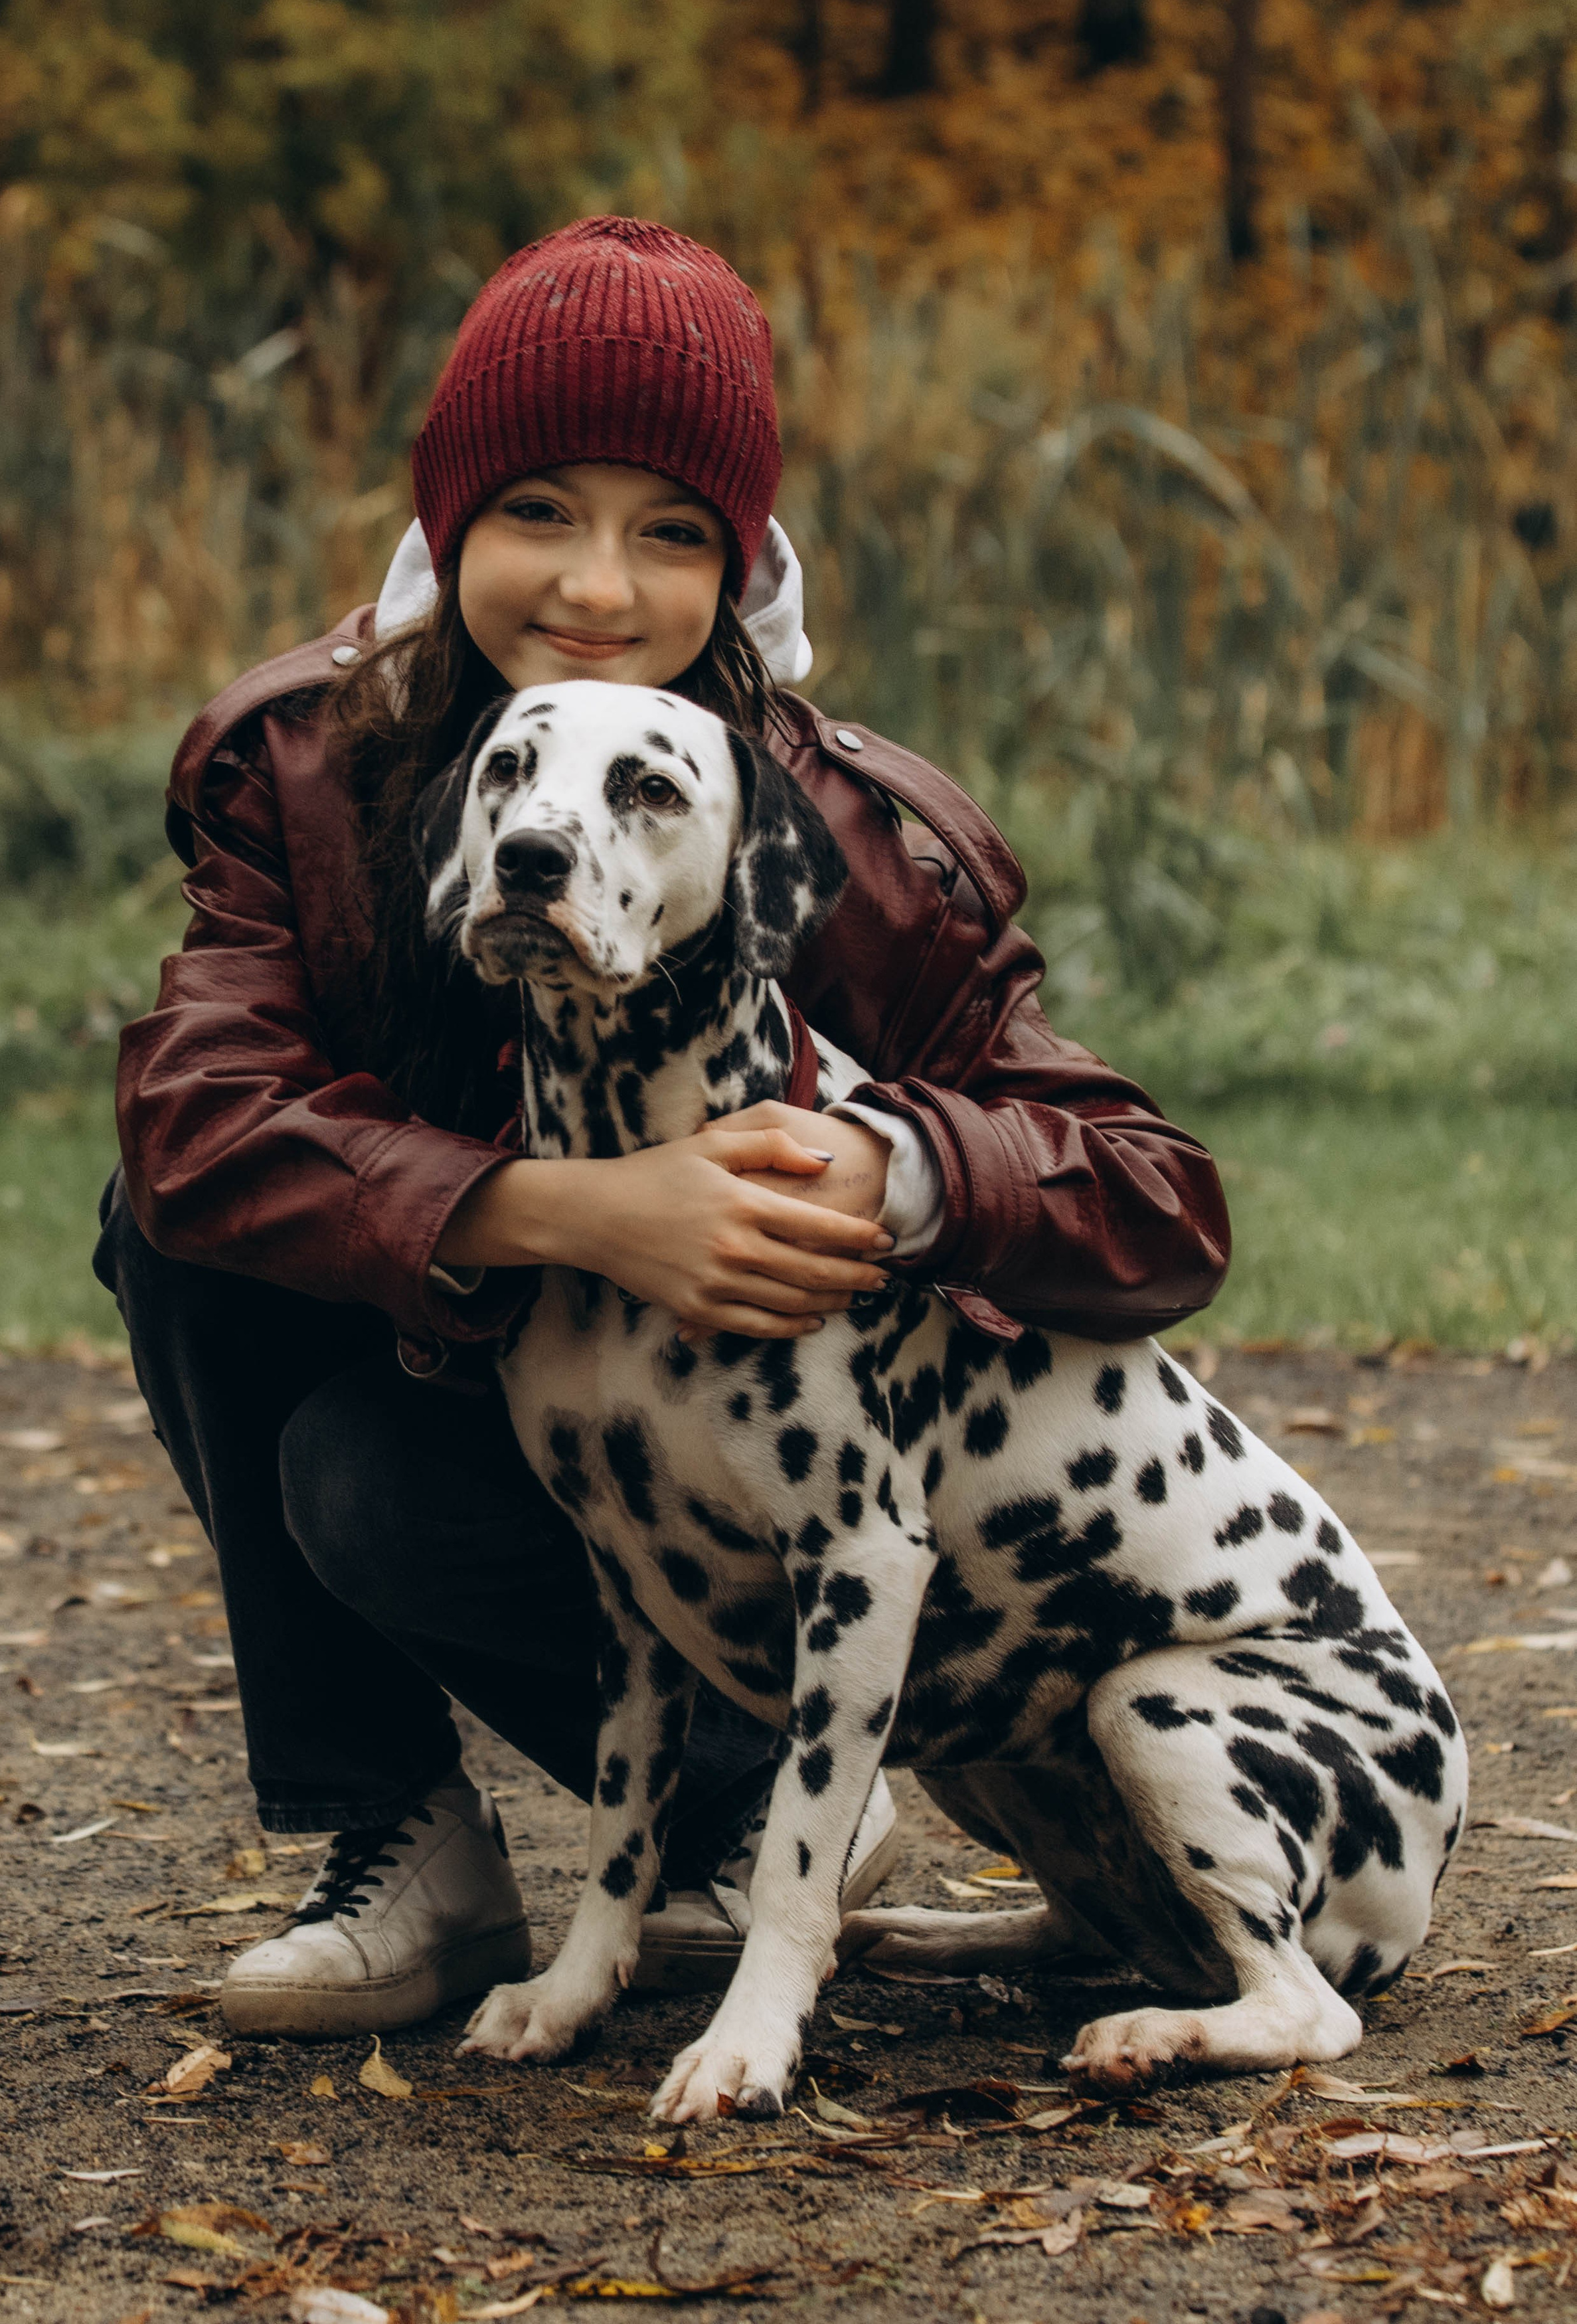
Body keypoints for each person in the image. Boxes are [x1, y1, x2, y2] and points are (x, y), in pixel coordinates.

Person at [98, 216, 1231, 2041]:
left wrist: (905, 1168)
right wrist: (576, 1210)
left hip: (767, 1485)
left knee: (359, 1483)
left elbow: (1156, 1201)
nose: (598, 585)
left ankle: (757, 1808)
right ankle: (401, 1838)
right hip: (498, 1377)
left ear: (744, 560)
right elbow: (198, 1121)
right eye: (539, 510)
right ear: (449, 522)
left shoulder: (834, 830)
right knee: (172, 1236)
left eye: (674, 532)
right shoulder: (304, 761)